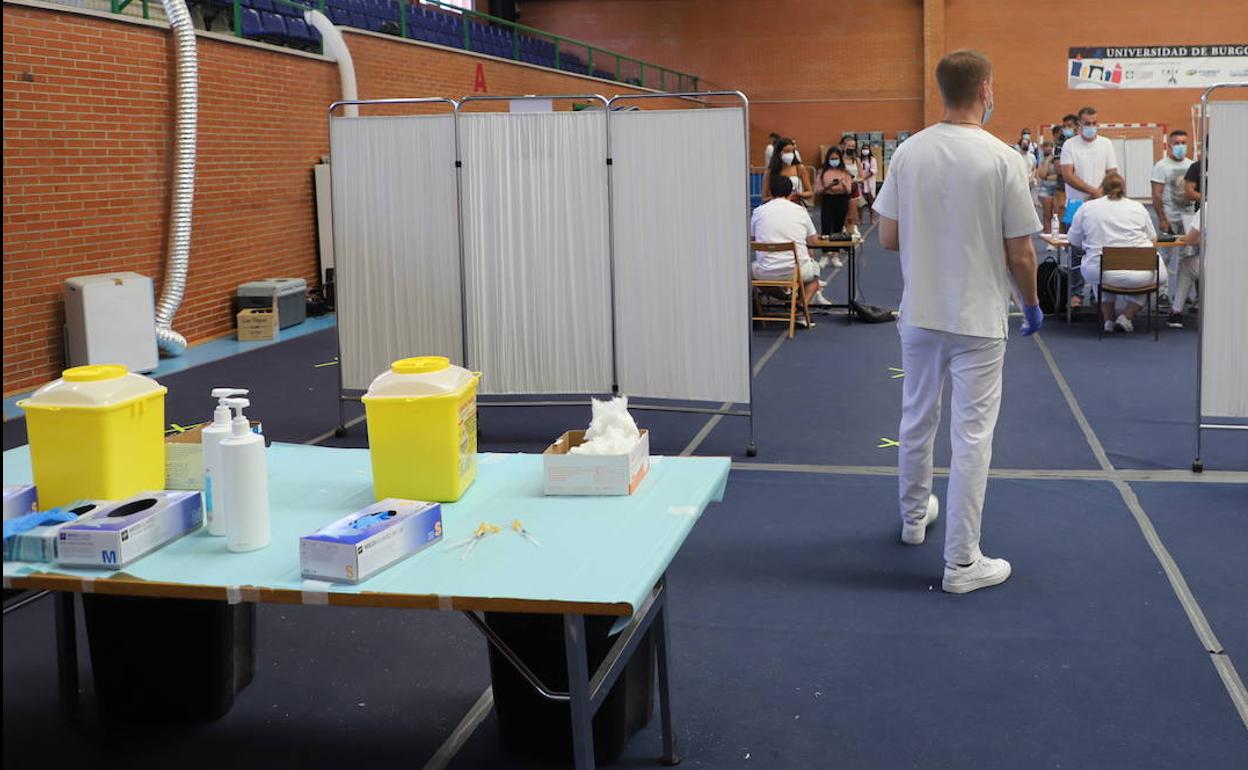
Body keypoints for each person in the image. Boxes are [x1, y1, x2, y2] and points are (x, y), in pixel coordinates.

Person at [873, 49, 1042, 595]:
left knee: (916, 416)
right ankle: (962, 562)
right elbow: (1021, 253)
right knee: (971, 437)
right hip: (977, 319)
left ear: (941, 90)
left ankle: (913, 517)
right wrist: (1033, 305)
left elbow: (888, 237)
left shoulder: (909, 152)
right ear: (986, 90)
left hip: (919, 313)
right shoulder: (1003, 158)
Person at [1068, 173, 1167, 334]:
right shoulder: (1138, 207)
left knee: (1097, 265)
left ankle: (1108, 320)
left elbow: (1074, 240)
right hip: (1140, 272)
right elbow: (1153, 238)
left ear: (1102, 188)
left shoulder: (1087, 208)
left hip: (1102, 270)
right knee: (1153, 275)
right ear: (1124, 189)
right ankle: (1127, 316)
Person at [1059, 106, 1119, 308]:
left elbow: (1112, 173)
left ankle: (1097, 294)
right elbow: (1068, 174)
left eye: (1094, 123)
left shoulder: (1106, 144)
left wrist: (1100, 192)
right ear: (1079, 124)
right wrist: (1092, 190)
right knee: (1075, 250)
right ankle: (1076, 293)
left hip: (1101, 206)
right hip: (1076, 205)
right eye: (1087, 124)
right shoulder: (1070, 145)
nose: (1091, 127)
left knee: (1100, 250)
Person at [751, 175, 831, 319]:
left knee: (753, 273)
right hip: (796, 271)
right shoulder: (800, 211)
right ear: (791, 193)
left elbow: (753, 239)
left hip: (765, 271)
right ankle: (800, 307)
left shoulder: (758, 211)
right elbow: (813, 242)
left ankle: (787, 299)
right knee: (814, 278)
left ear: (770, 191)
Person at [1150, 130, 1195, 309]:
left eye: (1183, 142)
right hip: (1169, 217)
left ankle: (1181, 295)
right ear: (1169, 146)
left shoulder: (1192, 165)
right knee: (1165, 257)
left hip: (1189, 217)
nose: (1180, 146)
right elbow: (1156, 194)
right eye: (1176, 143)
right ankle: (1162, 293)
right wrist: (1162, 218)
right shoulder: (1161, 166)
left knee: (1187, 257)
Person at [814, 147, 853, 267]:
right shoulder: (822, 172)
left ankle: (835, 255)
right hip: (828, 199)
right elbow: (818, 190)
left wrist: (843, 184)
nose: (834, 160)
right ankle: (825, 255)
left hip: (841, 200)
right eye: (832, 158)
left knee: (838, 228)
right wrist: (828, 186)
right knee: (826, 227)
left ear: (840, 159)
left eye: (836, 158)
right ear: (828, 159)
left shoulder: (845, 172)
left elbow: (849, 190)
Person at [762, 137, 814, 208]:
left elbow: (810, 192)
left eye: (792, 151)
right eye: (786, 151)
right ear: (779, 152)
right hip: (777, 207)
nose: (790, 154)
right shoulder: (770, 171)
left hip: (795, 206)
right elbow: (764, 198)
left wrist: (799, 195)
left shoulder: (799, 168)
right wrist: (780, 199)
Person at [1037, 140, 1059, 242]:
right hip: (1045, 188)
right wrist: (1047, 161)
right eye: (1046, 146)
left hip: (1057, 188)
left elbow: (1059, 175)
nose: (1049, 149)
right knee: (1047, 215)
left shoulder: (1057, 159)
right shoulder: (1042, 160)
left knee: (1056, 214)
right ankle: (1048, 239)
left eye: (1051, 146)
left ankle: (1057, 236)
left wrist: (1049, 177)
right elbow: (1042, 175)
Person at [857, 145, 879, 225]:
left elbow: (874, 171)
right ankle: (860, 219)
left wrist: (864, 178)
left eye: (866, 149)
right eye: (863, 149)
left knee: (871, 202)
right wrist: (861, 179)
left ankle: (872, 219)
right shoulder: (858, 159)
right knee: (860, 203)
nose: (865, 150)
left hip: (869, 182)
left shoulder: (872, 159)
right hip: (860, 183)